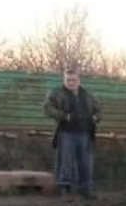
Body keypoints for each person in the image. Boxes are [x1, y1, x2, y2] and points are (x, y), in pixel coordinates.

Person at [43, 68, 102, 198]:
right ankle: (65, 189)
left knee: (86, 162)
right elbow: (47, 108)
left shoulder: (86, 94)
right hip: (66, 132)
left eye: (73, 80)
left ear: (78, 80)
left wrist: (95, 118)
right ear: (64, 81)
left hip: (85, 133)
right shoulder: (57, 93)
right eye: (68, 80)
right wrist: (64, 116)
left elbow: (99, 109)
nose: (71, 83)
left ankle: (85, 189)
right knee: (66, 161)